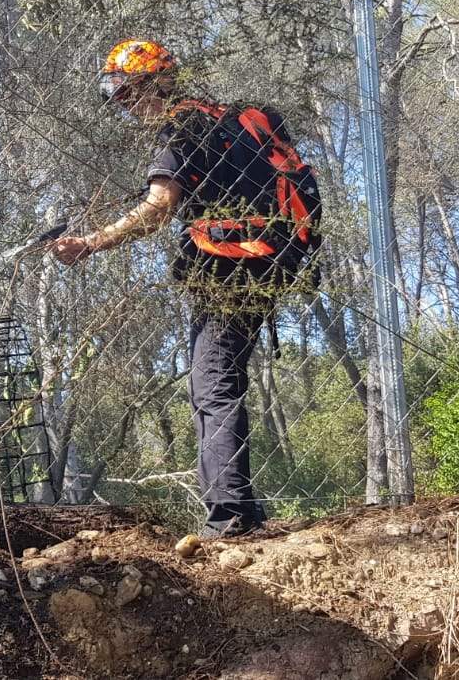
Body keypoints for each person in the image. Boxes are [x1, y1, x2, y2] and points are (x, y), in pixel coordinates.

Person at [52, 38, 320, 538]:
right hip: (272, 259)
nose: (128, 110)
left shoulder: (181, 129)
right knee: (221, 380)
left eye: (129, 97)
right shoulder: (232, 118)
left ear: (154, 83)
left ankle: (230, 519)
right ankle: (243, 512)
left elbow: (157, 209)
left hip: (225, 268)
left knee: (212, 384)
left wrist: (93, 242)